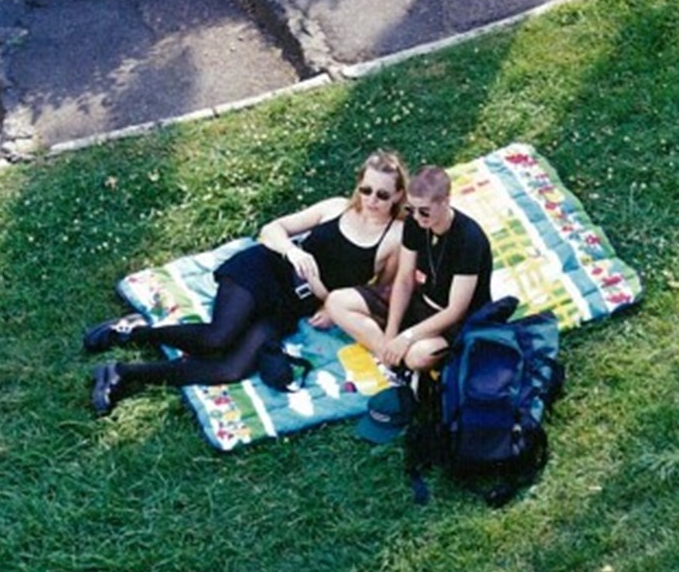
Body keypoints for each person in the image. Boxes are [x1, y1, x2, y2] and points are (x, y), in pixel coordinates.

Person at [85, 150, 409, 415]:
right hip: (266, 269)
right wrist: (292, 253)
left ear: (397, 196)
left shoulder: (394, 237)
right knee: (217, 338)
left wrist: (330, 302)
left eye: (382, 194)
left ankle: (121, 372)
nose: (371, 200)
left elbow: (378, 293)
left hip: (292, 305)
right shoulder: (335, 208)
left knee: (231, 369)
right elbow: (272, 230)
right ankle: (130, 331)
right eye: (366, 189)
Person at [326, 164, 493, 372]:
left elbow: (456, 310)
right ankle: (390, 358)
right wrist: (391, 330)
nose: (416, 217)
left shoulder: (469, 239)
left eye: (424, 211)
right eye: (411, 209)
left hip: (452, 322)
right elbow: (404, 278)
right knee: (336, 302)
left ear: (446, 202)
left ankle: (401, 361)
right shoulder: (415, 223)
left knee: (418, 356)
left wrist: (407, 336)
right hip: (419, 300)